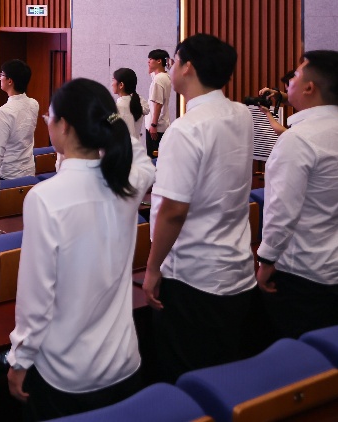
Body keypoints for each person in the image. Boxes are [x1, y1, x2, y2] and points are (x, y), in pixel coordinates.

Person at [7, 79, 155, 419]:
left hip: (67, 374)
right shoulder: (127, 183)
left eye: (50, 116)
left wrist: (19, 359)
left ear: (65, 126)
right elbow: (143, 162)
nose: (47, 122)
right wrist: (117, 123)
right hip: (124, 363)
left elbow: (36, 298)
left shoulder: (45, 198)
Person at [143, 34, 255, 382]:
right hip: (237, 268)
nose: (171, 68)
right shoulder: (242, 114)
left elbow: (173, 211)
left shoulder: (185, 129)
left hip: (195, 278)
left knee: (188, 380)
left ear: (187, 67)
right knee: (225, 376)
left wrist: (152, 269)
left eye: (174, 62)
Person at [256, 50, 338, 339]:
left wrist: (266, 261)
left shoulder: (298, 140)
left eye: (296, 74)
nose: (289, 80)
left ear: (309, 87)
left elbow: (281, 211)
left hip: (303, 274)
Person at [0, 59, 39, 179]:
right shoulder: (34, 104)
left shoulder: (3, 112)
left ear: (10, 81)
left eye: (2, 74)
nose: (0, 77)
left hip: (8, 176)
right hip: (29, 172)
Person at [110, 68, 149, 161]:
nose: (112, 84)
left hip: (122, 153)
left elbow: (108, 126)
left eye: (113, 80)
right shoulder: (138, 102)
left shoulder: (117, 107)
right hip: (137, 150)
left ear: (121, 85)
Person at [146, 49, 173, 156]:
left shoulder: (158, 80)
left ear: (159, 61)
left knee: (154, 157)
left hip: (156, 126)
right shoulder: (165, 76)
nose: (148, 61)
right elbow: (151, 73)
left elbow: (158, 103)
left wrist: (153, 124)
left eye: (151, 59)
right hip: (162, 124)